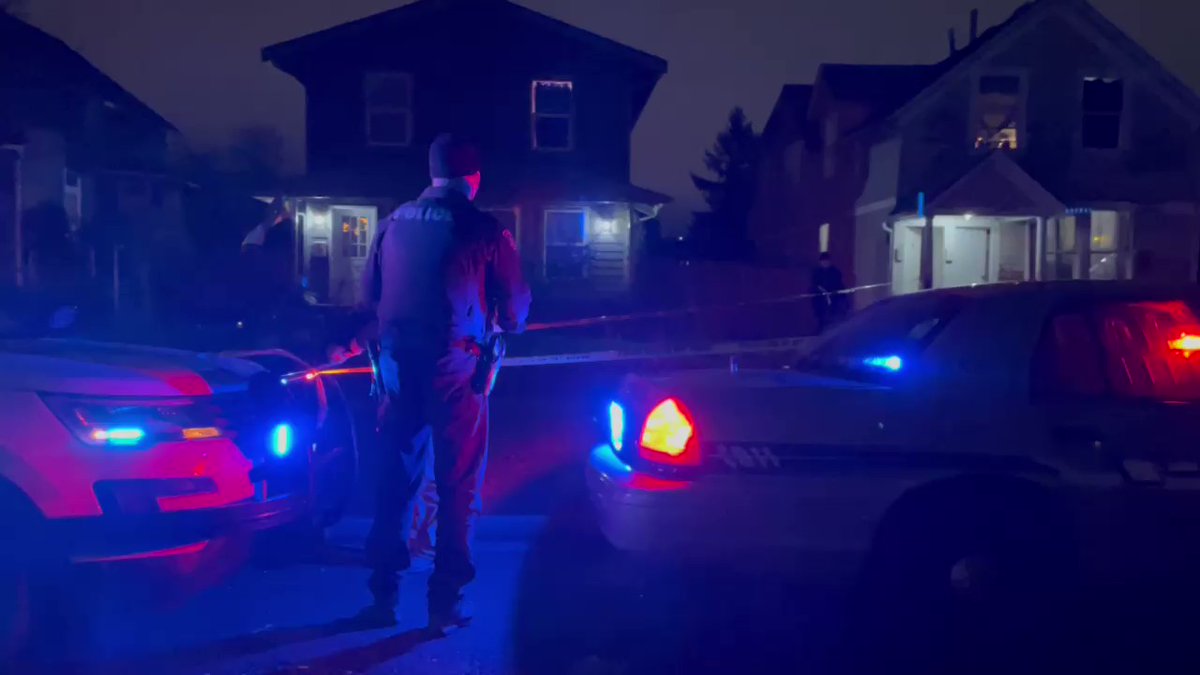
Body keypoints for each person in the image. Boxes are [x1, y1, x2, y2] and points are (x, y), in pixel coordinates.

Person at [357, 133, 531, 632]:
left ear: (432, 175)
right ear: (472, 180)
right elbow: (517, 311)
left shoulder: (392, 224)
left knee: (395, 480)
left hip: (394, 369)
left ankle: (383, 596)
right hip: (457, 370)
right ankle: (445, 601)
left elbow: (369, 298)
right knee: (457, 485)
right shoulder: (484, 230)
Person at [811, 252, 847, 333]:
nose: (825, 263)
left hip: (834, 298)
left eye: (826, 261)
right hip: (820, 300)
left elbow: (839, 284)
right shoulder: (817, 272)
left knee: (834, 318)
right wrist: (822, 291)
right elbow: (815, 284)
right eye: (823, 262)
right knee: (821, 318)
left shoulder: (835, 272)